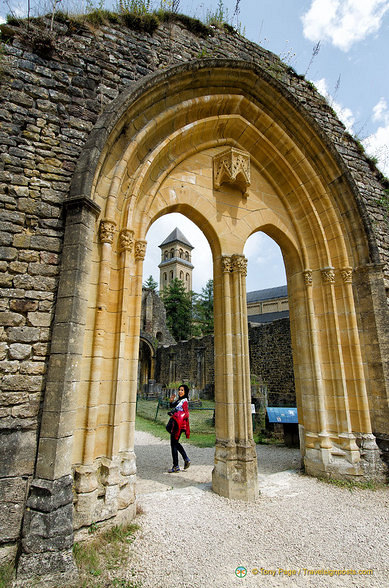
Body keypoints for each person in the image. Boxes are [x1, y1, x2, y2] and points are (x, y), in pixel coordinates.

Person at [167, 384, 191, 473]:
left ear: (185, 392)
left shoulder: (184, 401)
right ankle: (185, 459)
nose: (180, 391)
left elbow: (186, 414)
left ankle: (176, 465)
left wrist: (176, 415)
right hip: (175, 424)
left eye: (182, 390)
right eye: (179, 390)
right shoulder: (179, 400)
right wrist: (171, 401)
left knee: (173, 444)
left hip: (178, 425)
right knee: (175, 443)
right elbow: (172, 406)